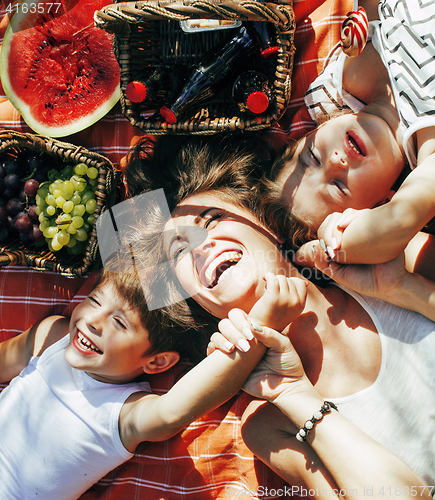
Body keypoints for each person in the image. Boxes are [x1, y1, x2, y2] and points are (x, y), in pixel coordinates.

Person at [126, 135, 435, 496]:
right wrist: (293, 392)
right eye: (179, 250)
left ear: (270, 226)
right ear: (199, 302)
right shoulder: (267, 425)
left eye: (211, 220)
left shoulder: (391, 263)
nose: (200, 246)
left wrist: (403, 289)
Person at [0, 249, 300, 500]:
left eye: (119, 323)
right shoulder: (51, 335)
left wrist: (262, 325)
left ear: (157, 363)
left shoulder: (124, 413)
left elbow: (176, 411)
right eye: (94, 300)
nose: (92, 320)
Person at [266, 0, 435, 276]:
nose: (335, 161)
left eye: (314, 157)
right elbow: (396, 224)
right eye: (338, 186)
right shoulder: (428, 144)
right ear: (381, 204)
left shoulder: (334, 86)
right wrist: (341, 240)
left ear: (311, 132)